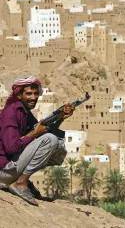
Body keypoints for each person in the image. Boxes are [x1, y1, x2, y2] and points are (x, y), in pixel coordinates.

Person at [0, 77, 75, 206]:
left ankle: (23, 181)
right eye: (29, 93)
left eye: (36, 93)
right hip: (4, 171)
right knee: (50, 140)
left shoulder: (25, 114)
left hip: (12, 168)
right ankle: (20, 183)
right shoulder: (10, 113)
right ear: (19, 95)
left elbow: (44, 130)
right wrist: (35, 133)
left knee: (57, 142)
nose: (33, 97)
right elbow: (11, 148)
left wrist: (61, 117)